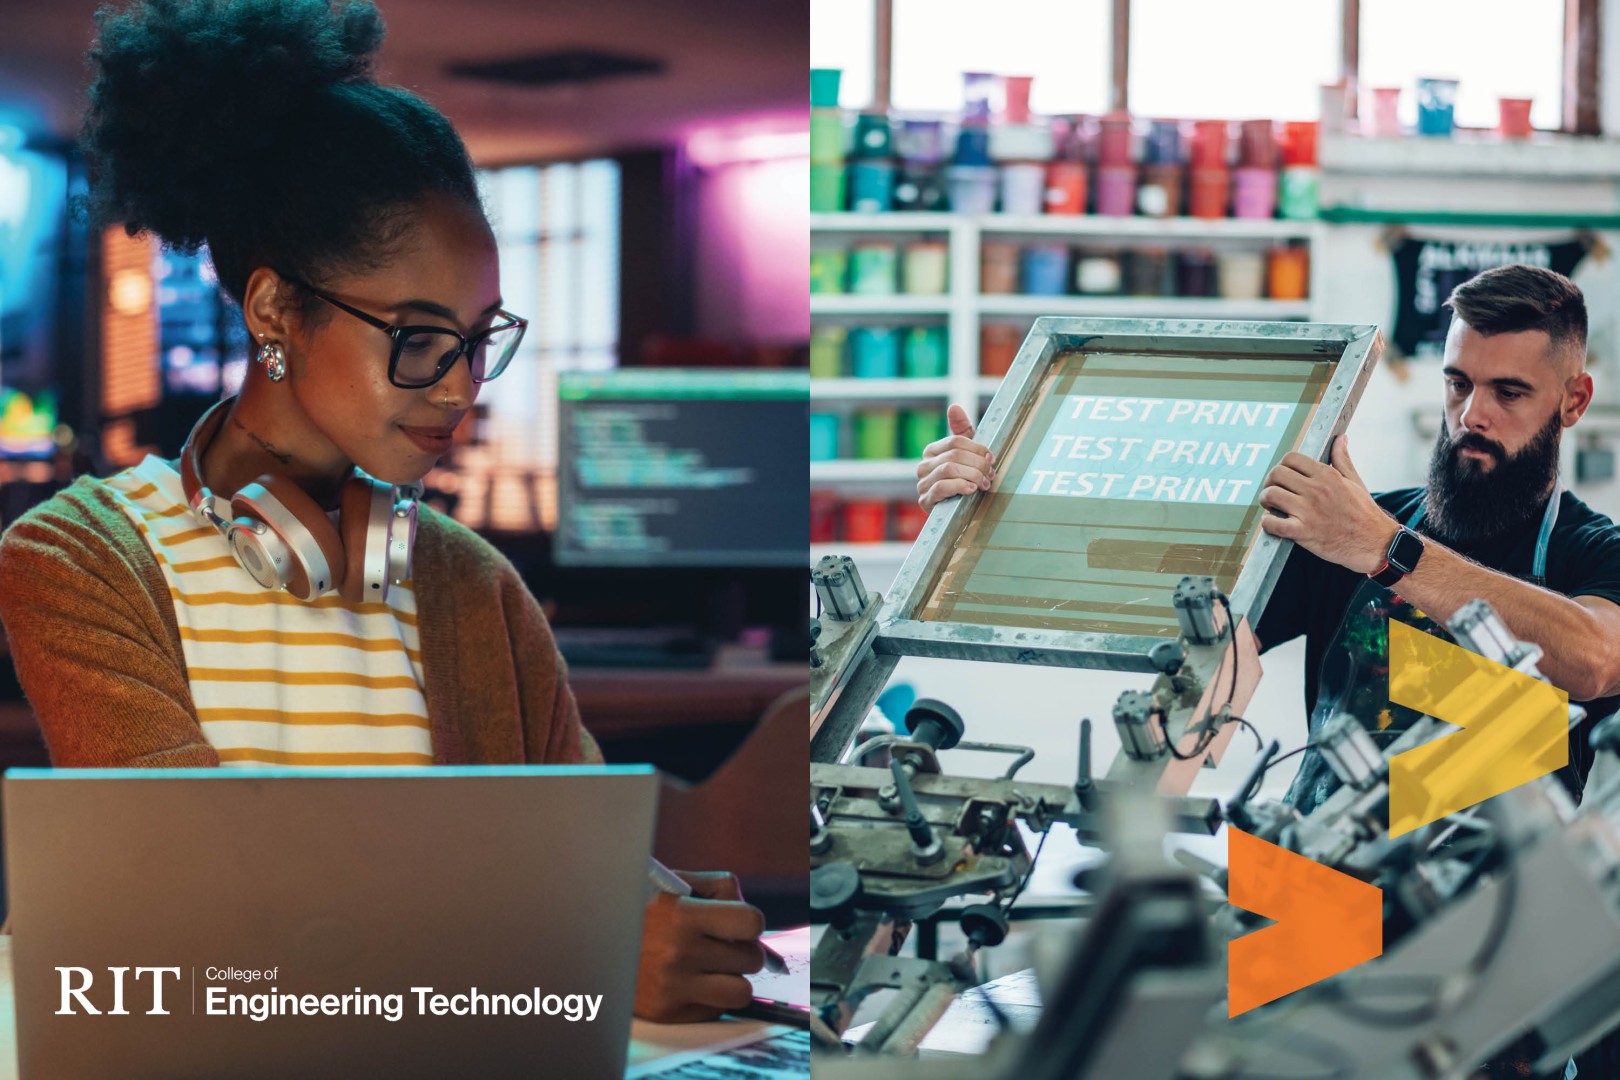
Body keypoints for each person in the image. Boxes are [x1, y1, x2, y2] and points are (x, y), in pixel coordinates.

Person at [0, 0, 763, 1025]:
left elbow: (586, 872)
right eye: (415, 336)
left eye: (480, 336)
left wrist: (659, 919)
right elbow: (191, 920)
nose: (460, 387)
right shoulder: (78, 559)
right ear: (275, 311)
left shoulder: (471, 584)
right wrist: (562, 962)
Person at [917, 264, 1620, 1076]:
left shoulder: (1586, 554)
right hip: (1307, 906)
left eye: (1508, 392)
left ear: (1572, 401)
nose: (1472, 416)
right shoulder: (1351, 525)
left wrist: (1385, 553)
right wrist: (995, 512)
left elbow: (1595, 657)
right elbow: (1187, 612)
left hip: (1486, 956)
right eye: (1458, 384)